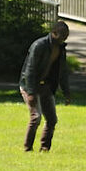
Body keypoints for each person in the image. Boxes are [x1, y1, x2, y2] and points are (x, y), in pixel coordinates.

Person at [19, 21, 70, 153]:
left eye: (66, 36)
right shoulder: (39, 45)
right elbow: (29, 70)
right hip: (29, 85)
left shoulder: (61, 49)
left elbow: (62, 72)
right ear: (54, 33)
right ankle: (28, 148)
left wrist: (66, 93)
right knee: (36, 117)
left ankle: (45, 148)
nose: (64, 38)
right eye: (62, 35)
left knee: (52, 119)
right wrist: (30, 93)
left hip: (46, 85)